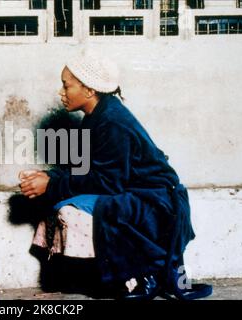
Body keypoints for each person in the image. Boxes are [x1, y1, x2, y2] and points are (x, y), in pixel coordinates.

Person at [19, 52, 212, 300]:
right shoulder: (96, 116)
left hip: (155, 198)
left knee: (75, 211)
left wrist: (52, 183)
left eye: (67, 85)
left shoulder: (112, 121)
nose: (61, 92)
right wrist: (45, 176)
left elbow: (108, 182)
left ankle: (141, 275)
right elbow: (86, 169)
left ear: (89, 90)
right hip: (132, 189)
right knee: (60, 202)